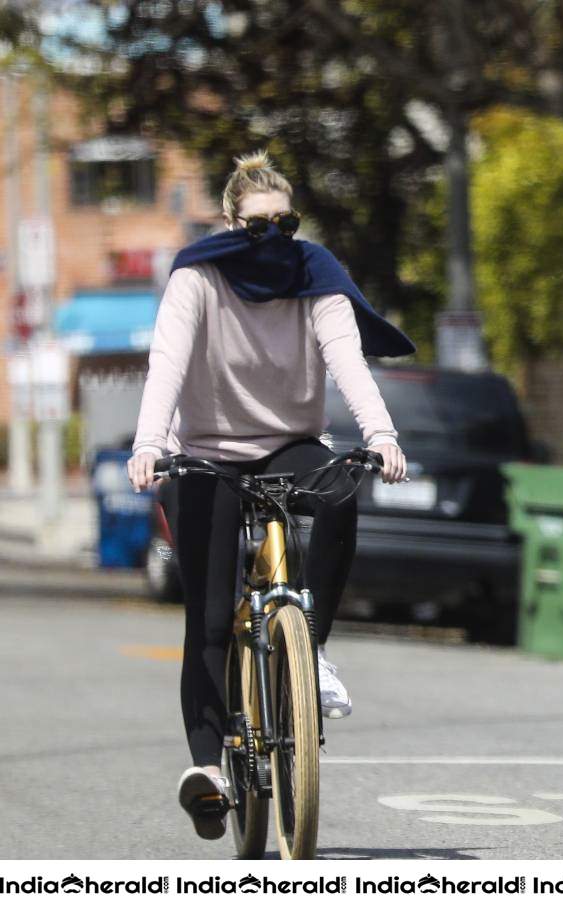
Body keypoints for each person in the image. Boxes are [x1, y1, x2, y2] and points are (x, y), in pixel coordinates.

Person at [127, 150, 415, 839]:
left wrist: (382, 434)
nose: (274, 239)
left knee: (343, 492)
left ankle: (307, 650)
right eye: (258, 225)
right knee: (209, 617)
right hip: (209, 451)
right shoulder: (198, 277)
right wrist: (150, 442)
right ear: (230, 221)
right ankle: (210, 770)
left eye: (287, 224)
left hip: (288, 441)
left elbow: (347, 358)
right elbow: (168, 361)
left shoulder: (315, 276)